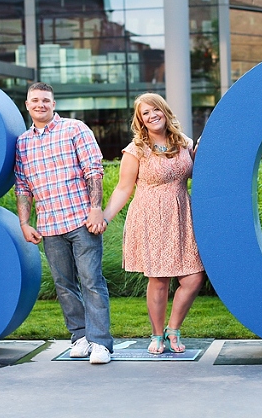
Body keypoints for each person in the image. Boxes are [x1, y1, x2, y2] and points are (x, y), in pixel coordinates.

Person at [14, 82, 113, 364]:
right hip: (49, 225)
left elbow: (94, 170)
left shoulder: (75, 129)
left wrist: (96, 209)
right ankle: (80, 336)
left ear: (53, 104)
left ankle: (101, 344)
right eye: (35, 100)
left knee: (92, 281)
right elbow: (22, 186)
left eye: (46, 100)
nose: (40, 104)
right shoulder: (23, 142)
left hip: (82, 221)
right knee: (63, 284)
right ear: (27, 105)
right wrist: (24, 222)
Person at [101, 93, 205, 354]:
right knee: (159, 280)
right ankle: (157, 335)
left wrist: (204, 149)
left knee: (194, 278)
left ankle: (174, 328)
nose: (152, 115)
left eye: (155, 109)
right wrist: (104, 217)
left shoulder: (183, 143)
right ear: (141, 120)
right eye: (145, 113)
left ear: (164, 111)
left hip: (181, 215)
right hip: (151, 216)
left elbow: (199, 172)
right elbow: (124, 189)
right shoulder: (136, 150)